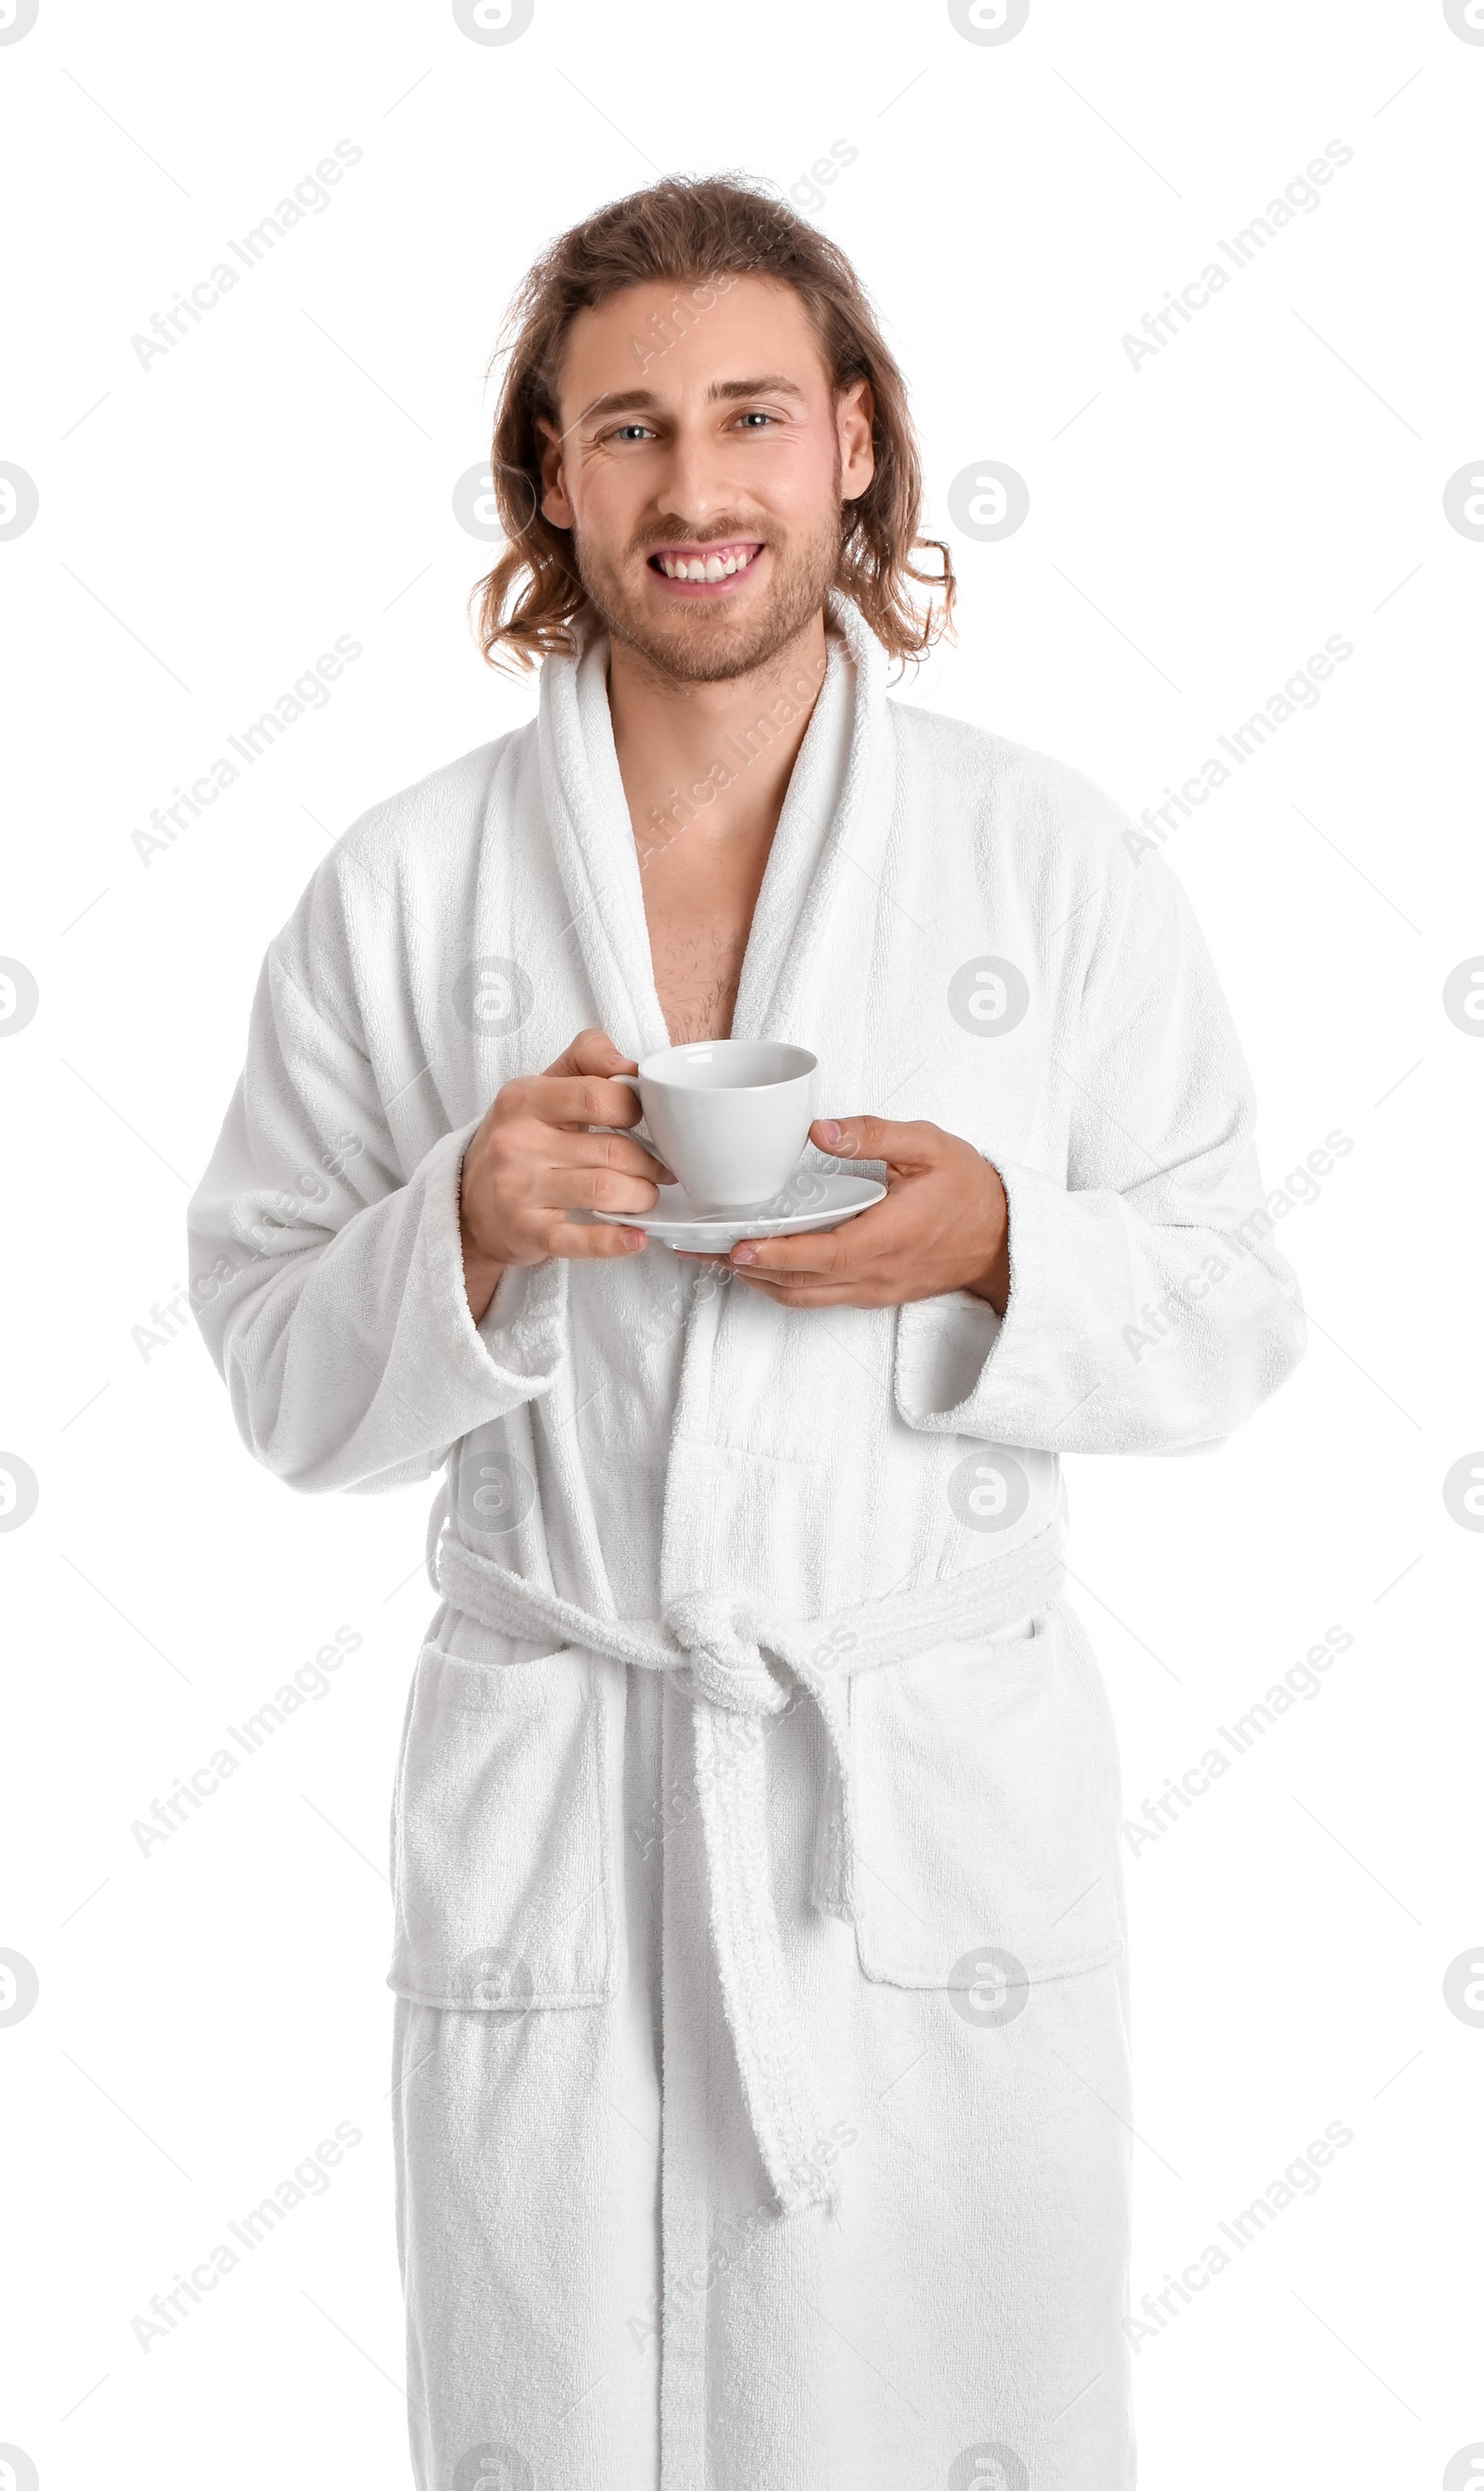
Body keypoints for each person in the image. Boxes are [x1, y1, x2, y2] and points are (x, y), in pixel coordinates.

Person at [186, 174, 1306, 2491]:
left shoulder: (1047, 863)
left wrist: (1004, 1242)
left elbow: (1229, 1311)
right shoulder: (404, 886)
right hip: (570, 1799)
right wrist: (459, 1232)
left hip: (915, 1822)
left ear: (857, 444)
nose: (692, 491)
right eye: (622, 432)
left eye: (748, 417)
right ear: (547, 477)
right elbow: (277, 1365)